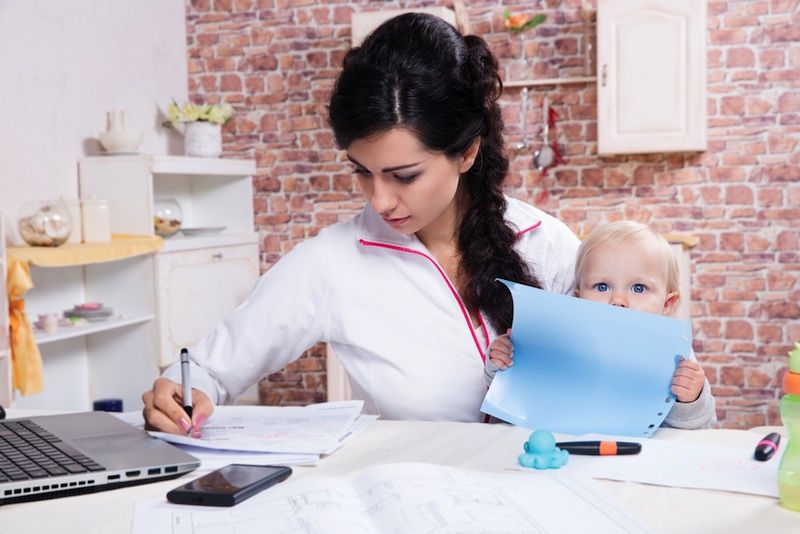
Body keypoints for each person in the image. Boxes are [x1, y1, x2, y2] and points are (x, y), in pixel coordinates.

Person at [142, 13, 580, 434]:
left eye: (405, 176)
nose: (381, 201)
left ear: (467, 152)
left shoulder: (548, 244)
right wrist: (182, 392)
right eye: (362, 172)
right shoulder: (332, 261)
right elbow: (210, 369)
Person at [485, 220, 716, 429]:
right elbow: (520, 403)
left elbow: (702, 426)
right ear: (578, 297)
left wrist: (691, 398)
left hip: (643, 458)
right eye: (602, 286)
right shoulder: (565, 342)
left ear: (668, 303)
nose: (618, 301)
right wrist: (502, 366)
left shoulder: (675, 353)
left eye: (639, 288)